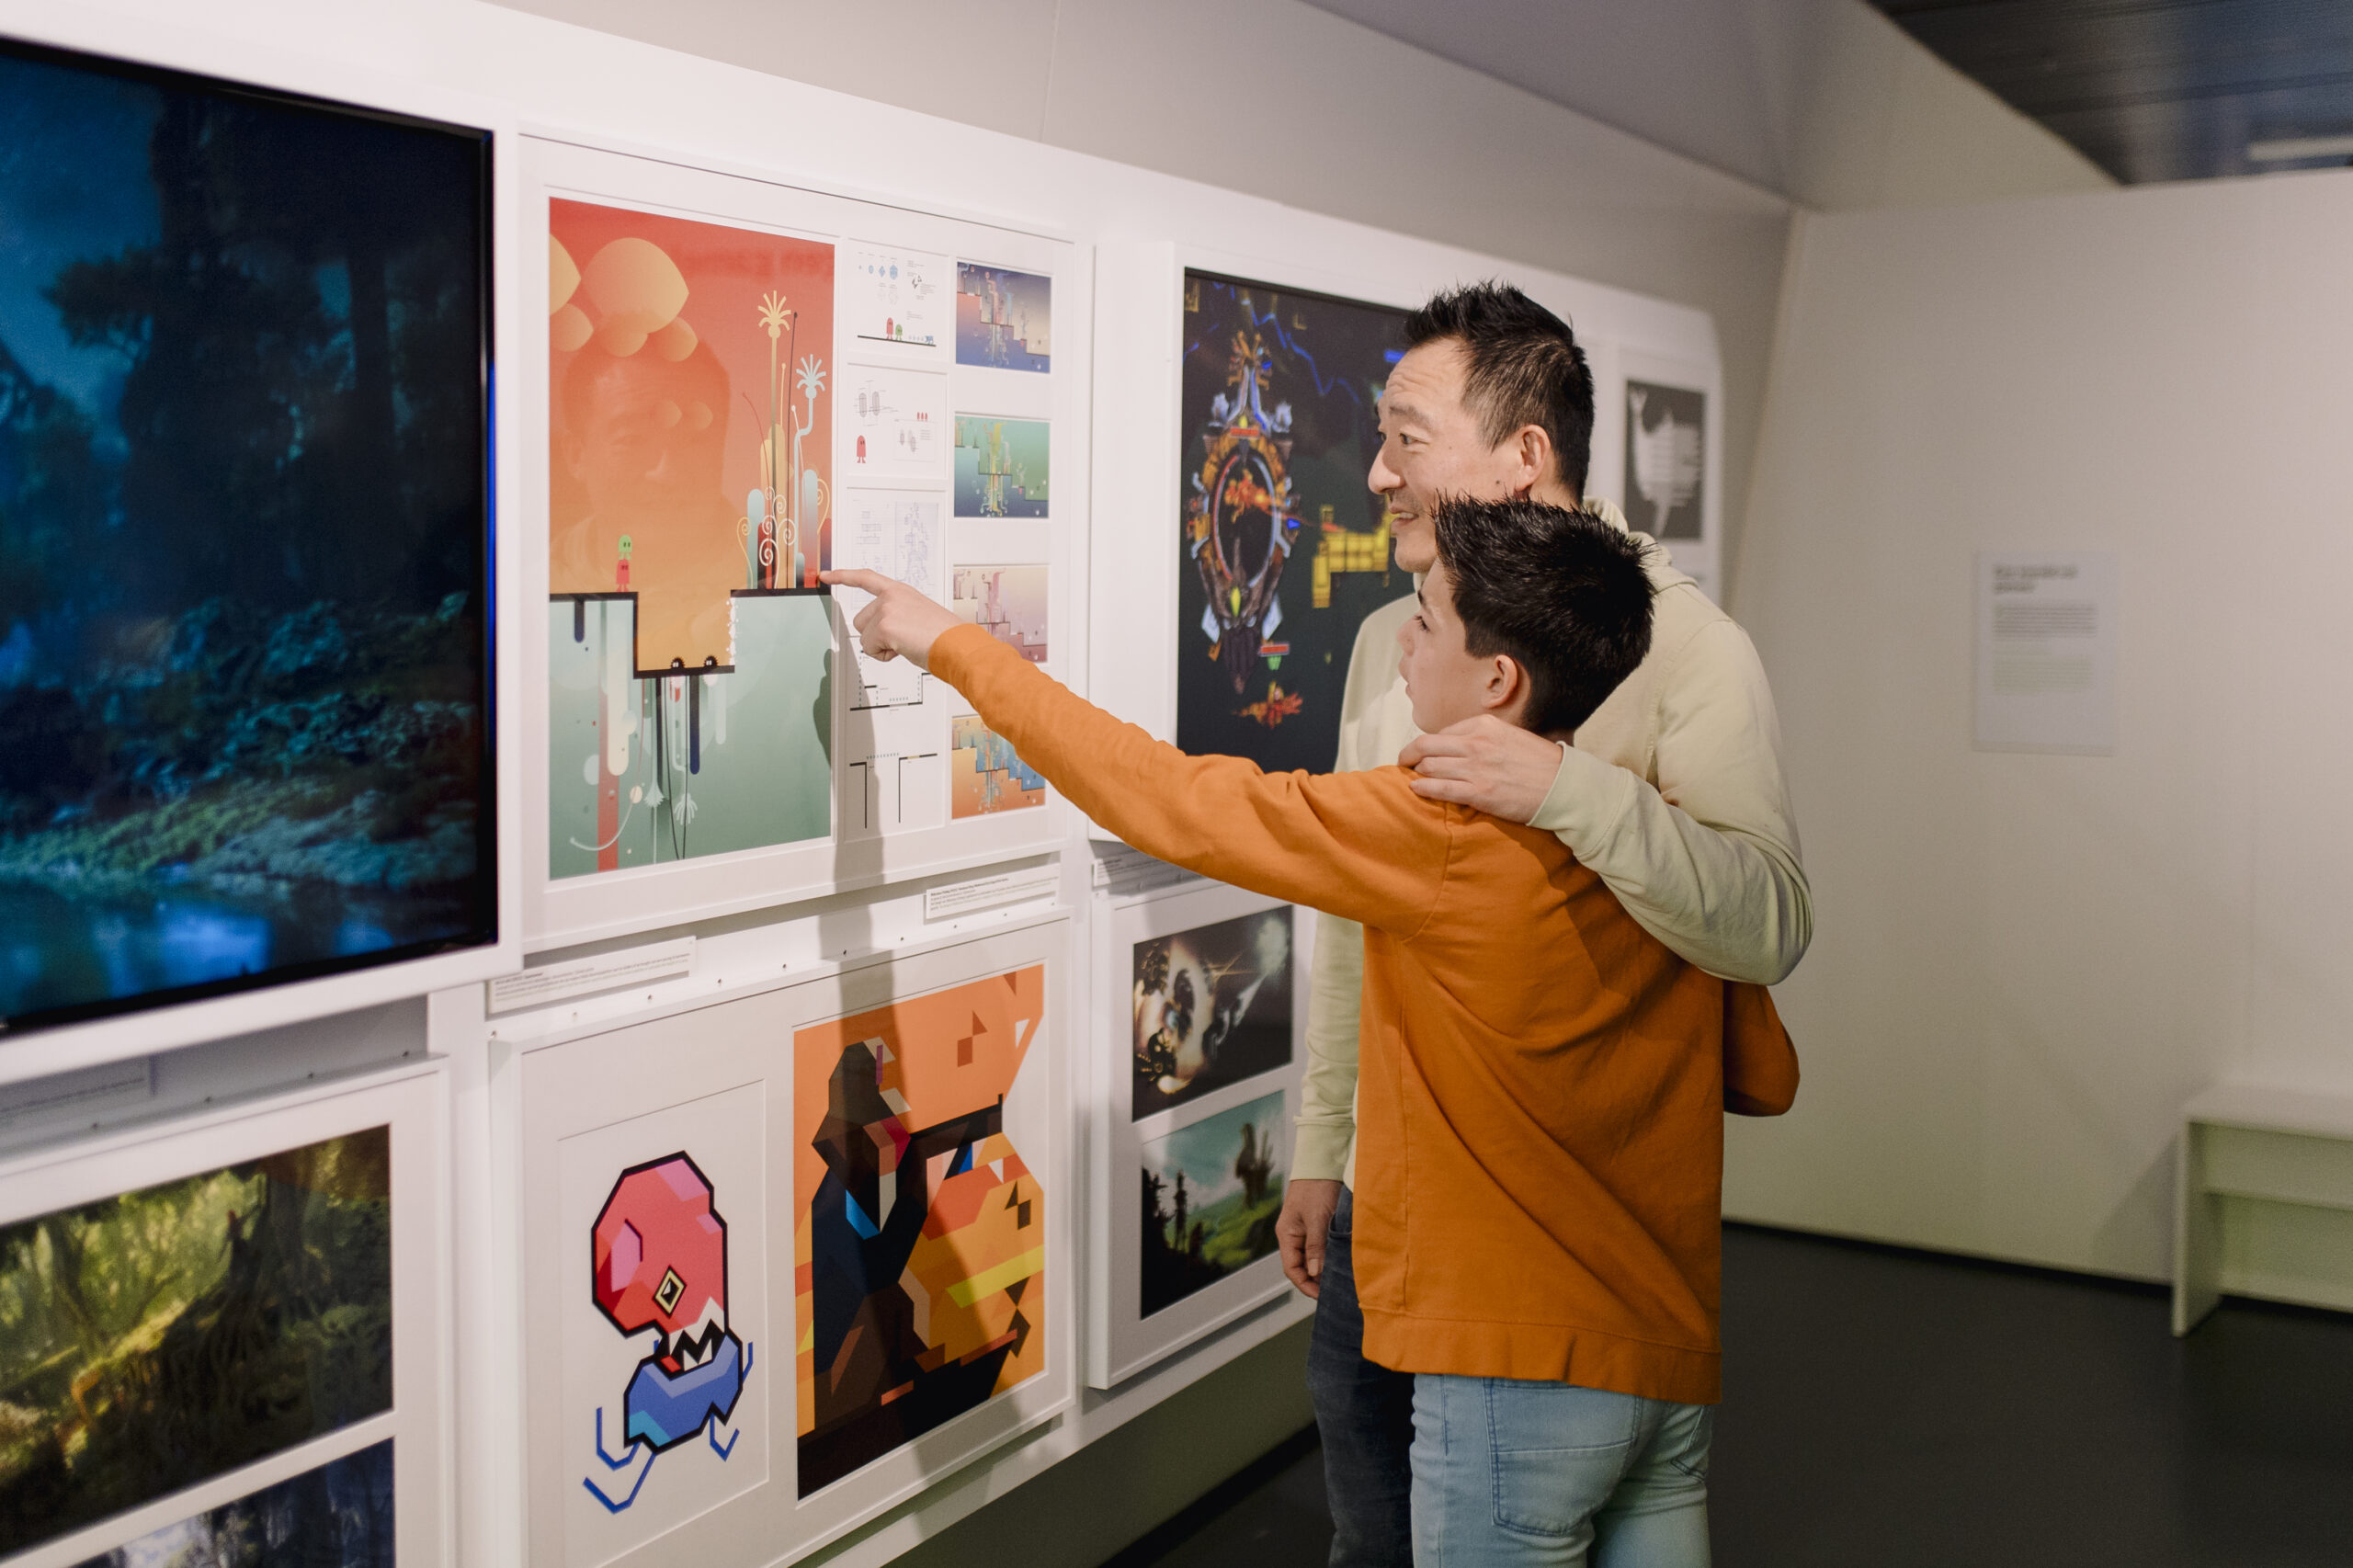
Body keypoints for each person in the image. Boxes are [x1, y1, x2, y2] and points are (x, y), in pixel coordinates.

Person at [824, 494, 1796, 1566]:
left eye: (1425, 620)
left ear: (1498, 681)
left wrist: (951, 642)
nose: (1401, 645)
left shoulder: (1444, 829)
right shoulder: (1648, 828)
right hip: (1665, 1356)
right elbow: (1762, 1055)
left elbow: (1168, 798)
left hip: (1514, 1373)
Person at [1276, 284, 1810, 1567]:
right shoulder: (1391, 641)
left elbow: (1768, 920)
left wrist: (1570, 790)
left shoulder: (1690, 650)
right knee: (1374, 1540)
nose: (1378, 472)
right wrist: (1321, 1145)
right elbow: (1355, 920)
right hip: (1385, 1211)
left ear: (1523, 454)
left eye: (1407, 437)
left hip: (1571, 1240)